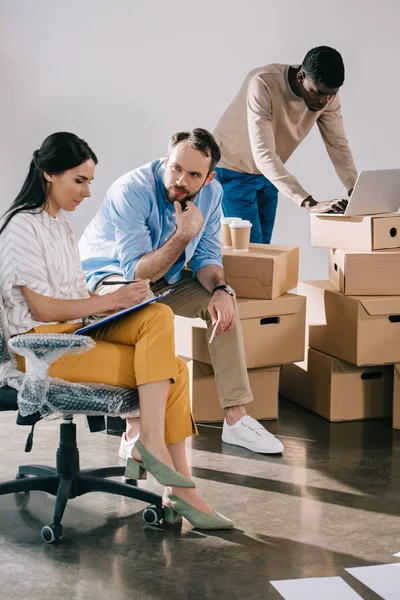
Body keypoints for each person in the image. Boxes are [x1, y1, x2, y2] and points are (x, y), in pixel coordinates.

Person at [0, 132, 232, 530]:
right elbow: (42, 308)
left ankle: (165, 463)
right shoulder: (23, 227)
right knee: (171, 372)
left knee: (156, 314)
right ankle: (176, 482)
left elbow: (69, 293)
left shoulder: (59, 225)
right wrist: (108, 301)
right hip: (42, 348)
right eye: (80, 180)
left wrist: (121, 297)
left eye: (90, 181)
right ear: (48, 174)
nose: (89, 192)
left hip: (74, 333)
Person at [79, 128, 284, 455]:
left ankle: (236, 419)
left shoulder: (212, 192)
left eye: (193, 174)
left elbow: (206, 256)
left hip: (164, 273)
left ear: (209, 177)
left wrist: (220, 289)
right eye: (175, 168)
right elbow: (135, 272)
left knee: (224, 307)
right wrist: (182, 235)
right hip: (110, 276)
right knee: (145, 308)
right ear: (165, 160)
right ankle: (137, 423)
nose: (180, 180)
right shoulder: (131, 191)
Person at [213, 46, 358, 243]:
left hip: (270, 174)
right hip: (233, 170)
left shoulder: (327, 95)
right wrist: (309, 202)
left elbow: (338, 145)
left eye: (331, 94)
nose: (324, 101)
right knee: (250, 252)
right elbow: (262, 153)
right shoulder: (263, 83)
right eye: (318, 93)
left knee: (263, 251)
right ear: (301, 77)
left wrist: (355, 191)